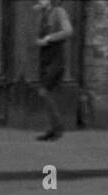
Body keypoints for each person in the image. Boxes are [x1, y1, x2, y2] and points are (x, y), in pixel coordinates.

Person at [33, 0, 73, 141]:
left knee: (44, 91)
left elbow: (68, 31)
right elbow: (38, 35)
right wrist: (40, 41)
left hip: (56, 57)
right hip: (45, 57)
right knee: (48, 93)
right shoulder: (41, 14)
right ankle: (53, 129)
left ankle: (58, 128)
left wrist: (49, 38)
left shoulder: (59, 12)